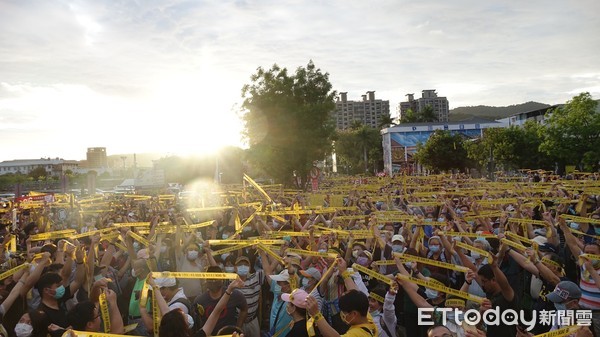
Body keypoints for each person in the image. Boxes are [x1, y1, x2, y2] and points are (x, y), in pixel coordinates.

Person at [193, 266, 248, 335]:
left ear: (222, 279)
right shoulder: (199, 301)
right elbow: (198, 321)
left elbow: (244, 309)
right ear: (206, 280)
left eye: (216, 278)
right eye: (211, 279)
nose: (213, 281)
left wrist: (238, 327)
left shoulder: (235, 295)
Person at [306, 289, 377, 337]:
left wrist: (317, 315)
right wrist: (345, 273)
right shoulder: (368, 320)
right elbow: (354, 289)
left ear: (354, 314)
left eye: (344, 312)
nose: (342, 314)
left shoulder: (357, 334)